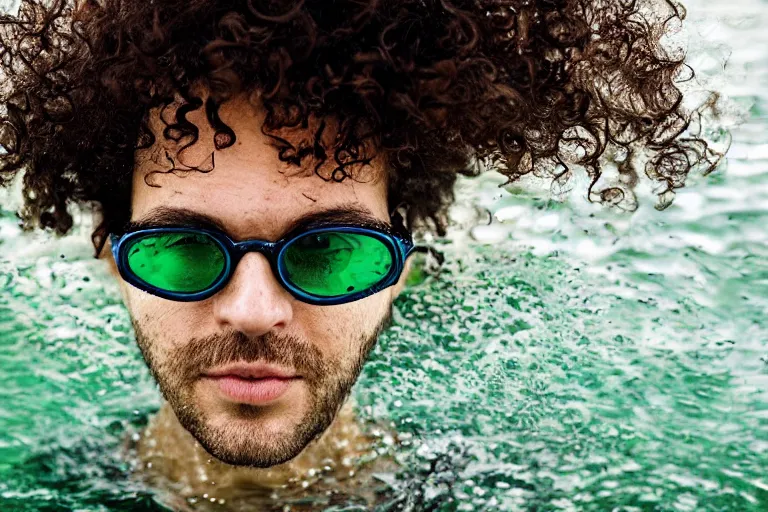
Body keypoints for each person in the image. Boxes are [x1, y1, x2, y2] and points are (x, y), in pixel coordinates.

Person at [0, 0, 721, 508]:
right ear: (110, 258)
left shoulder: (507, 494)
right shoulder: (37, 490)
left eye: (328, 253)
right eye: (185, 248)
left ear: (399, 270)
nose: (254, 311)